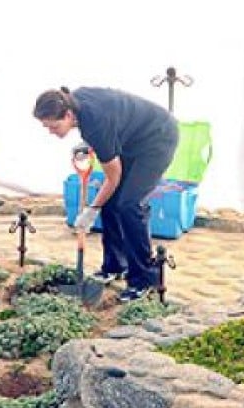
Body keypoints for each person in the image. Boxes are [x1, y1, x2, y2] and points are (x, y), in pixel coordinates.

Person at [33, 86, 179, 302]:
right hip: (132, 140)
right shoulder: (75, 101)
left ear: (69, 115)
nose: (50, 132)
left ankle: (144, 280)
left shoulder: (95, 125)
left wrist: (91, 211)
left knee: (129, 204)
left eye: (54, 126)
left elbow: (113, 178)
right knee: (112, 202)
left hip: (158, 138)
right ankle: (115, 265)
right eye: (46, 127)